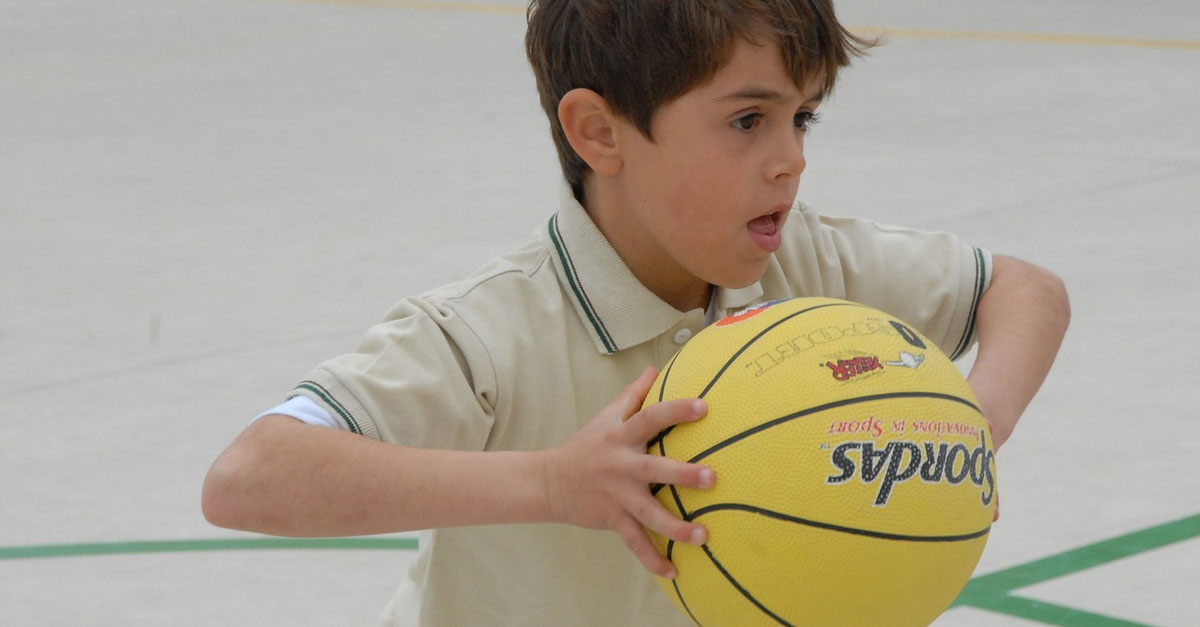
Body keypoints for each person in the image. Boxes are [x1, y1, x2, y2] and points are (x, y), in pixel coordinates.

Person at [202, 1, 1070, 625]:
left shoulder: (806, 266)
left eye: (802, 117)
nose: (791, 160)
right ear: (600, 133)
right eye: (748, 120)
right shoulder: (491, 329)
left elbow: (1026, 289)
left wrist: (971, 423)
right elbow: (248, 477)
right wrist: (550, 483)